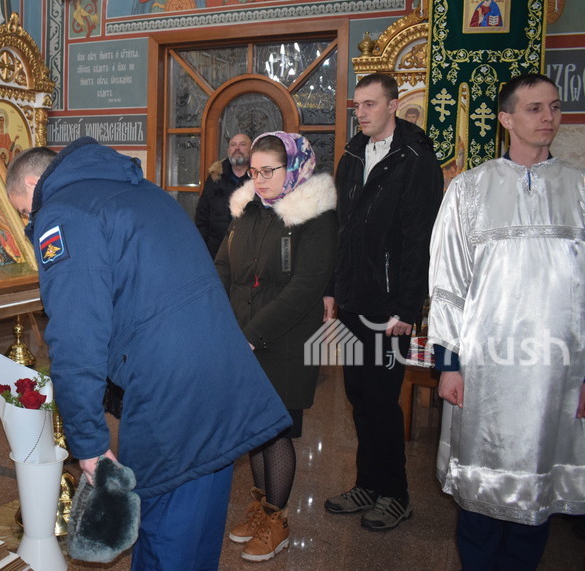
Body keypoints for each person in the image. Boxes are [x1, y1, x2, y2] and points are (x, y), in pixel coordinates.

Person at [6, 137, 290, 570]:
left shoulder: (63, 213)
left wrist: (89, 445)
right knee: (200, 529)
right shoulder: (142, 190)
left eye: (26, 211)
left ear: (32, 183)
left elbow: (76, 337)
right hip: (222, 376)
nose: (31, 220)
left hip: (172, 392)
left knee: (164, 534)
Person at [428, 73, 584, 568]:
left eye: (554, 107)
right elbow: (448, 283)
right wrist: (448, 363)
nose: (548, 117)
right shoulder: (469, 190)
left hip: (559, 371)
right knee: (481, 490)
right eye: (535, 108)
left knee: (538, 493)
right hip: (487, 369)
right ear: (506, 119)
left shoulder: (579, 188)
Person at [323, 73, 442, 530]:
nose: (362, 112)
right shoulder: (353, 153)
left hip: (390, 305)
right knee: (359, 397)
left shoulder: (415, 157)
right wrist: (332, 287)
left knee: (383, 401)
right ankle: (367, 484)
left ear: (394, 105)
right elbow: (341, 228)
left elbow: (419, 240)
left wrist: (406, 309)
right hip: (354, 298)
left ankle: (396, 493)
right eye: (358, 105)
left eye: (371, 104)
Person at [215, 132, 337, 562]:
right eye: (254, 171)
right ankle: (260, 509)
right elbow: (223, 268)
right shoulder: (247, 209)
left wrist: (253, 333)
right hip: (242, 334)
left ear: (295, 167)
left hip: (285, 339)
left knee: (277, 430)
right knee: (255, 428)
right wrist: (221, 322)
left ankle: (277, 521)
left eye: (269, 170)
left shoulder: (314, 216)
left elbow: (305, 287)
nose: (260, 179)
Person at [195, 132, 253, 257]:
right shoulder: (215, 178)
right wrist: (203, 249)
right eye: (233, 145)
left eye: (242, 144)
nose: (237, 148)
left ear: (251, 150)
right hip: (216, 252)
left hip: (249, 253)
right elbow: (202, 216)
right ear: (228, 151)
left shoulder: (259, 180)